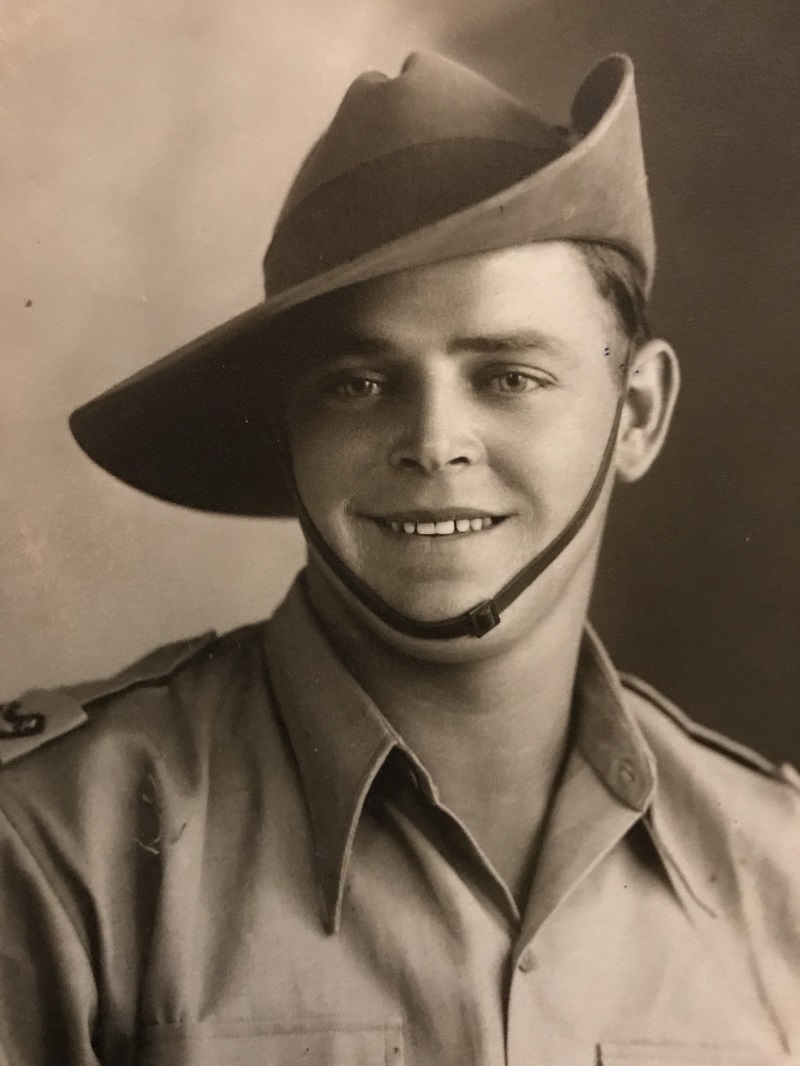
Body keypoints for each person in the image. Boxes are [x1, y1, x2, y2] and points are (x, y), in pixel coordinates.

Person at [1, 50, 798, 1066]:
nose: (433, 440)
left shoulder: (774, 868)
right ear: (285, 428)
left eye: (507, 375)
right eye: (356, 383)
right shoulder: (56, 847)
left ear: (633, 413)